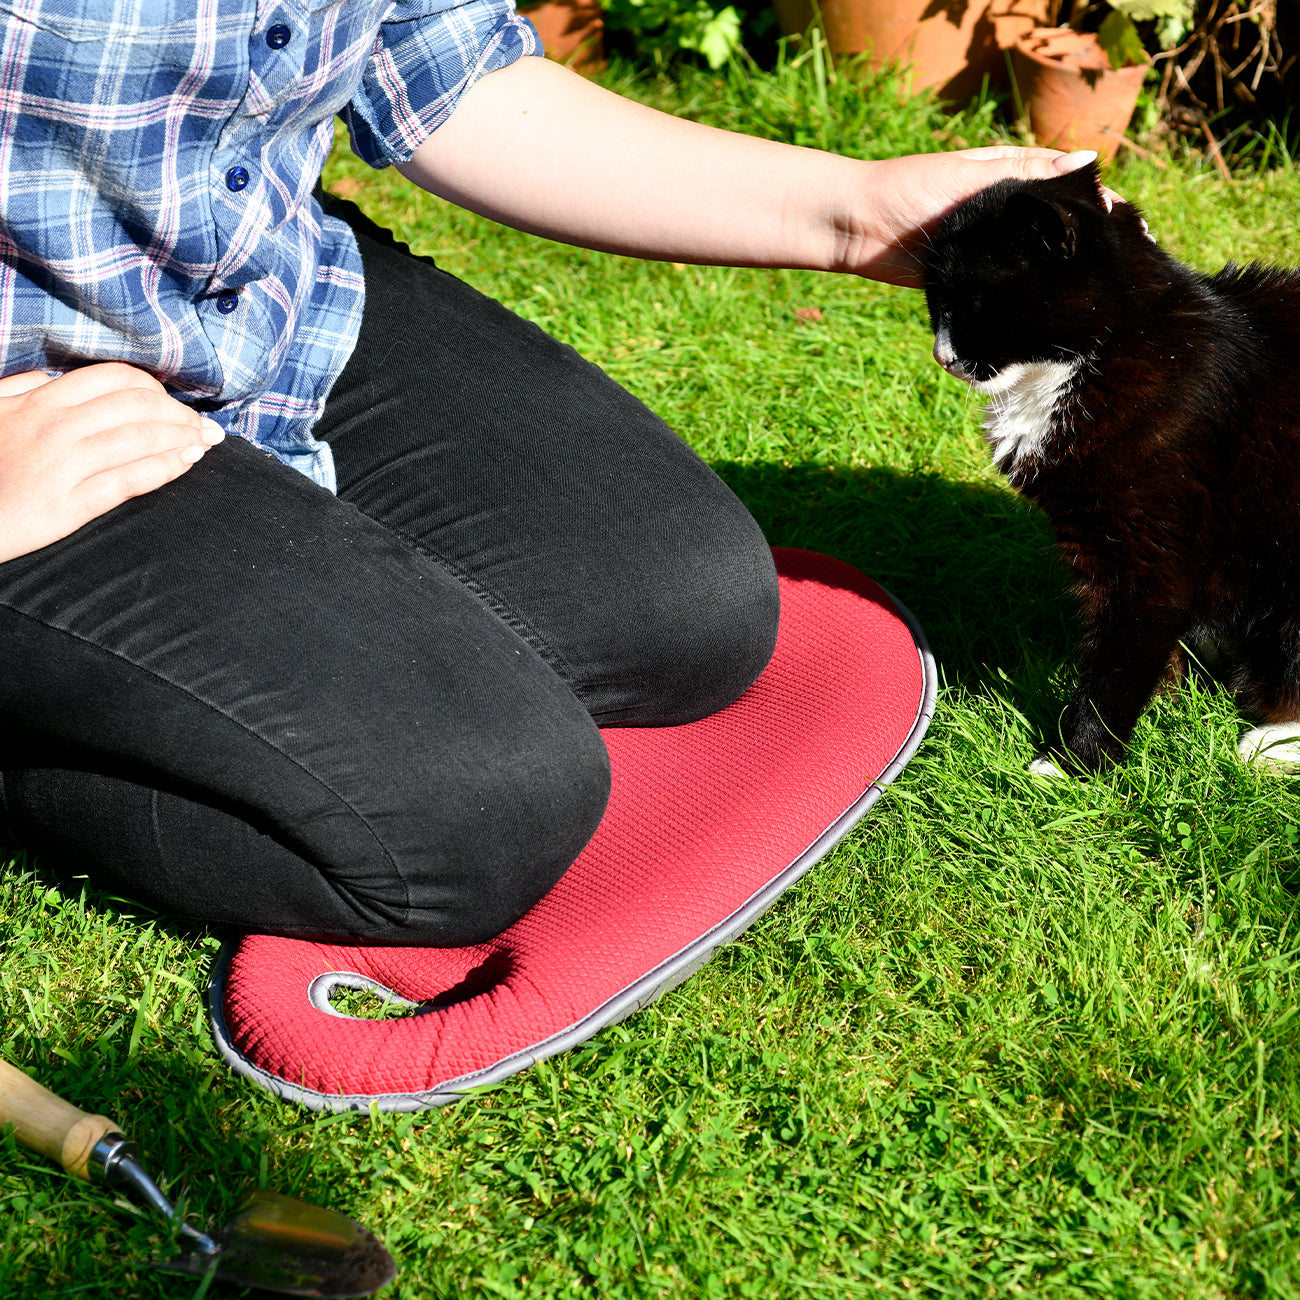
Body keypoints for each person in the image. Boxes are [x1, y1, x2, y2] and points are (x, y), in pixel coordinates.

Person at [0, 2, 1097, 947]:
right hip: (23, 401)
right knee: (468, 818)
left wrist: (855, 213)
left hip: (260, 295)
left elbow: (441, 65)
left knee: (682, 605)